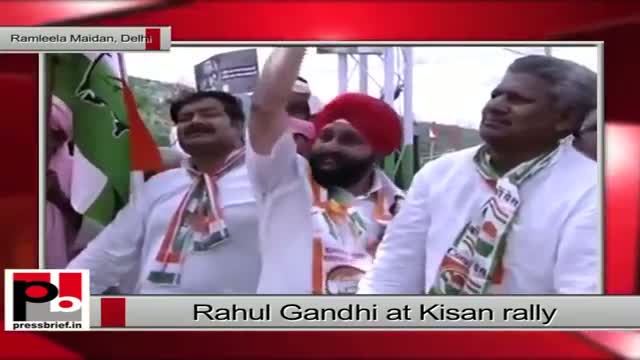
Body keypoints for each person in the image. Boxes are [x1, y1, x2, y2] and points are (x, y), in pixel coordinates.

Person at [359, 55, 598, 295]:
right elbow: (392, 274)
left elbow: (582, 299)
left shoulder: (592, 189)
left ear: (565, 118)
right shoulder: (439, 174)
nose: (496, 106)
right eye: (496, 95)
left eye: (518, 100)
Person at [68, 91, 261, 294]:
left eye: (208, 113)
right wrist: (44, 309)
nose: (195, 121)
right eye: (185, 119)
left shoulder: (274, 177)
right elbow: (104, 256)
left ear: (239, 125)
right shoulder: (160, 185)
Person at [248, 48, 404, 294]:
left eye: (349, 140)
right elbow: (263, 110)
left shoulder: (400, 206)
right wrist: (298, 39)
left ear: (379, 152)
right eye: (326, 135)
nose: (332, 146)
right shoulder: (286, 178)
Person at [46, 96, 81, 268]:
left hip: (64, 271)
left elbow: (96, 231)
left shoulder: (79, 172)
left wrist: (58, 198)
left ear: (59, 136)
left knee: (55, 295)